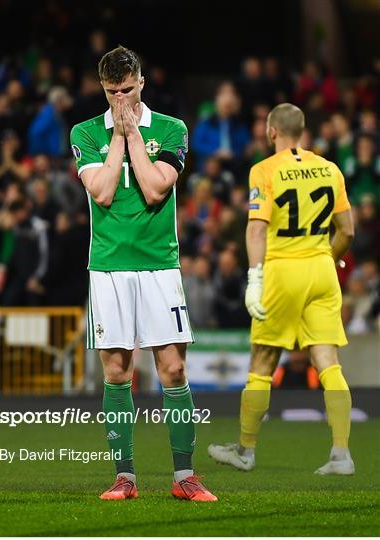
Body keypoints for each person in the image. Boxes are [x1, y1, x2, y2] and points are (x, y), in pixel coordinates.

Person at [70, 46, 216, 502]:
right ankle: (125, 478)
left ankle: (185, 476)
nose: (121, 100)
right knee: (117, 372)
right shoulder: (86, 132)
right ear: (103, 87)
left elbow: (155, 190)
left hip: (159, 266)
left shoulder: (172, 128)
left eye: (128, 90)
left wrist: (133, 134)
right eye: (112, 92)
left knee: (172, 369)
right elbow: (104, 191)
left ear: (142, 82)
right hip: (109, 266)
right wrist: (119, 134)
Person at [208, 103, 355, 475]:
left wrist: (254, 279)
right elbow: (347, 231)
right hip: (321, 272)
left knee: (262, 363)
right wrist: (329, 258)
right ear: (302, 130)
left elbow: (256, 228)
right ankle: (341, 454)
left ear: (272, 131)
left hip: (282, 272)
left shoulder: (264, 170)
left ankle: (245, 449)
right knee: (329, 364)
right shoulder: (330, 169)